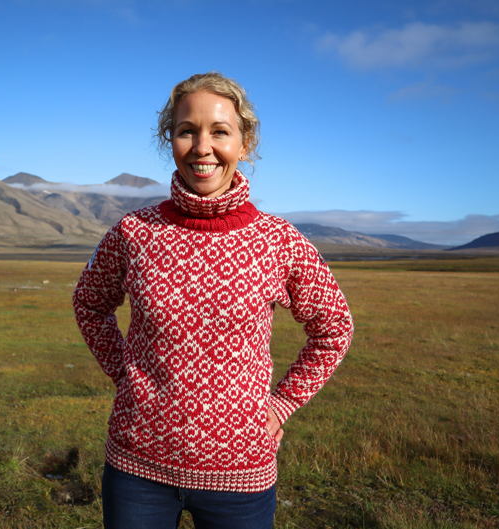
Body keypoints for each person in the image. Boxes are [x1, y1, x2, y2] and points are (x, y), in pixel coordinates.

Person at [72, 72, 354, 529]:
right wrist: (125, 372)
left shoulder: (277, 241)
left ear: (245, 144)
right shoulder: (134, 232)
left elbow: (334, 327)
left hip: (240, 478)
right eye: (187, 131)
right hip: (136, 471)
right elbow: (89, 302)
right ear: (171, 140)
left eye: (220, 131)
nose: (202, 147)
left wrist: (281, 405)